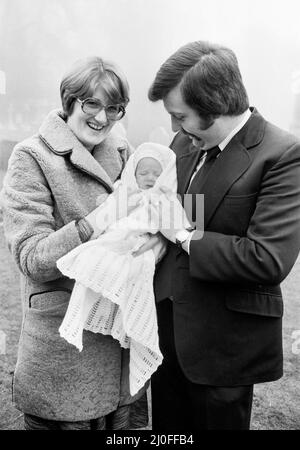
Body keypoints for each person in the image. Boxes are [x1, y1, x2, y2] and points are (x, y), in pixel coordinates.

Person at [145, 40, 300, 430]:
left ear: (213, 107)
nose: (175, 128)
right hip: (166, 338)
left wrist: (179, 232)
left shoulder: (283, 153)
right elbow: (179, 214)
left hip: (223, 349)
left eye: (180, 116)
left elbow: (266, 258)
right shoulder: (185, 142)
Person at [0, 56, 149, 430]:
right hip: (64, 350)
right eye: (92, 103)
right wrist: (96, 221)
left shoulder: (123, 151)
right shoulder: (31, 156)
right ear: (69, 101)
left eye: (114, 107)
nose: (102, 117)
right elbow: (31, 257)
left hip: (120, 343)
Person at [56, 142, 188, 397]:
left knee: (138, 269)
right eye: (143, 173)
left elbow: (181, 226)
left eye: (156, 173)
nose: (150, 178)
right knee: (94, 256)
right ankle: (85, 307)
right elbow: (108, 218)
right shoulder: (124, 193)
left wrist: (163, 233)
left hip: (143, 246)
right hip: (118, 238)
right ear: (133, 175)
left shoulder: (170, 200)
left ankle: (132, 324)